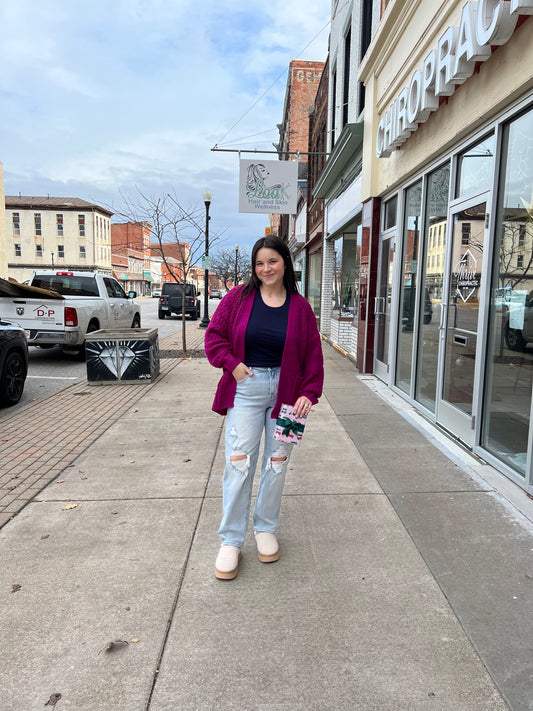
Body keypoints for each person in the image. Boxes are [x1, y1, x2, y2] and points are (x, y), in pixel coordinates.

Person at [205, 236, 324, 580]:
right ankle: (231, 539)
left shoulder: (300, 308)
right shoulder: (238, 299)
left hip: (289, 392)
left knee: (278, 462)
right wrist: (232, 364)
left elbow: (312, 354)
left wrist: (309, 392)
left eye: (272, 261)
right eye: (259, 263)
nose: (265, 269)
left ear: (285, 263)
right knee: (239, 462)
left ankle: (265, 528)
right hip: (247, 387)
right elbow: (214, 338)